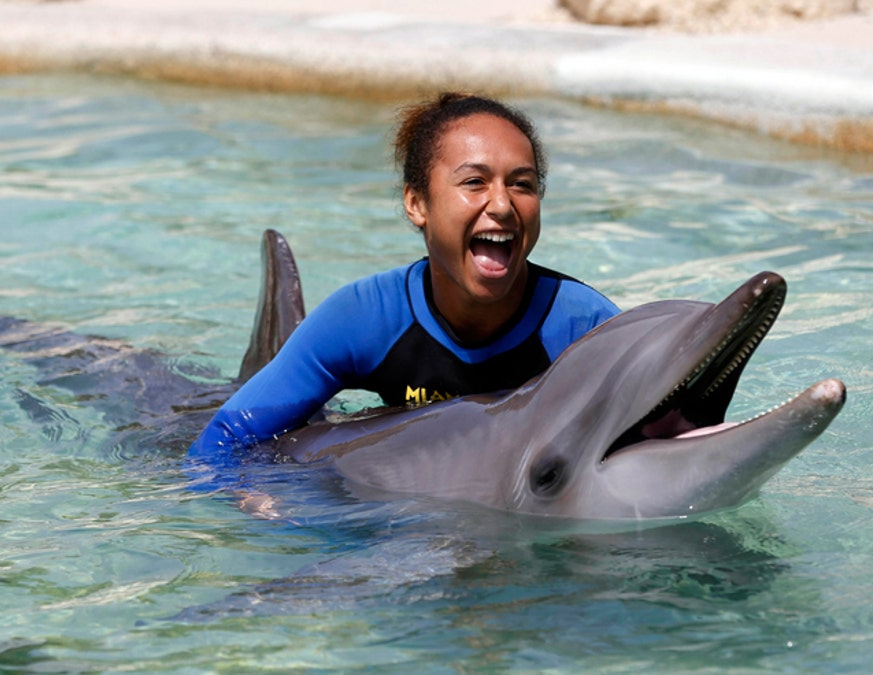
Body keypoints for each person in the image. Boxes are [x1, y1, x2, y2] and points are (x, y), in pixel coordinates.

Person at [189, 92, 619, 468]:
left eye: (522, 184)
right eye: (475, 182)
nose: (503, 205)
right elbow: (220, 445)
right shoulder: (366, 317)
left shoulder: (583, 327)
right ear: (417, 203)